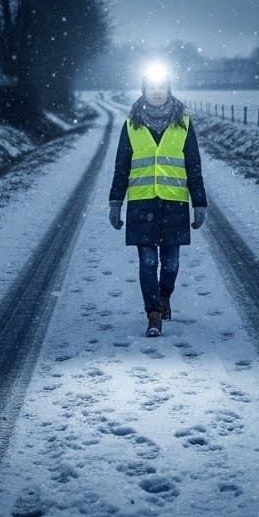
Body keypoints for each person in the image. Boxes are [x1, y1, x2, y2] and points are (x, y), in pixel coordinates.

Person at [108, 67, 207, 337]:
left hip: (174, 204)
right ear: (144, 90)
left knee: (171, 265)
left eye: (161, 87)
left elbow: (193, 165)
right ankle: (153, 315)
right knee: (148, 263)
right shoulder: (131, 123)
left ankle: (164, 297)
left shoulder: (184, 122)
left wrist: (200, 204)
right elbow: (121, 166)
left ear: (168, 90)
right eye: (151, 87)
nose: (156, 92)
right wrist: (115, 202)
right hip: (141, 204)